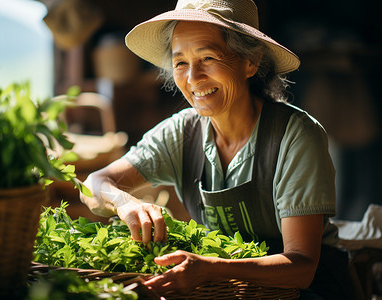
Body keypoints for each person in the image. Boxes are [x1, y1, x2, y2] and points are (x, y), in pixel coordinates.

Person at [80, 0, 355, 298]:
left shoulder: (295, 136)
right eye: (180, 62)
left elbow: (301, 268)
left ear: (250, 62)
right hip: (227, 290)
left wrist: (211, 268)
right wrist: (125, 203)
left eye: (208, 57)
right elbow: (94, 184)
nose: (193, 78)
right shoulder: (182, 132)